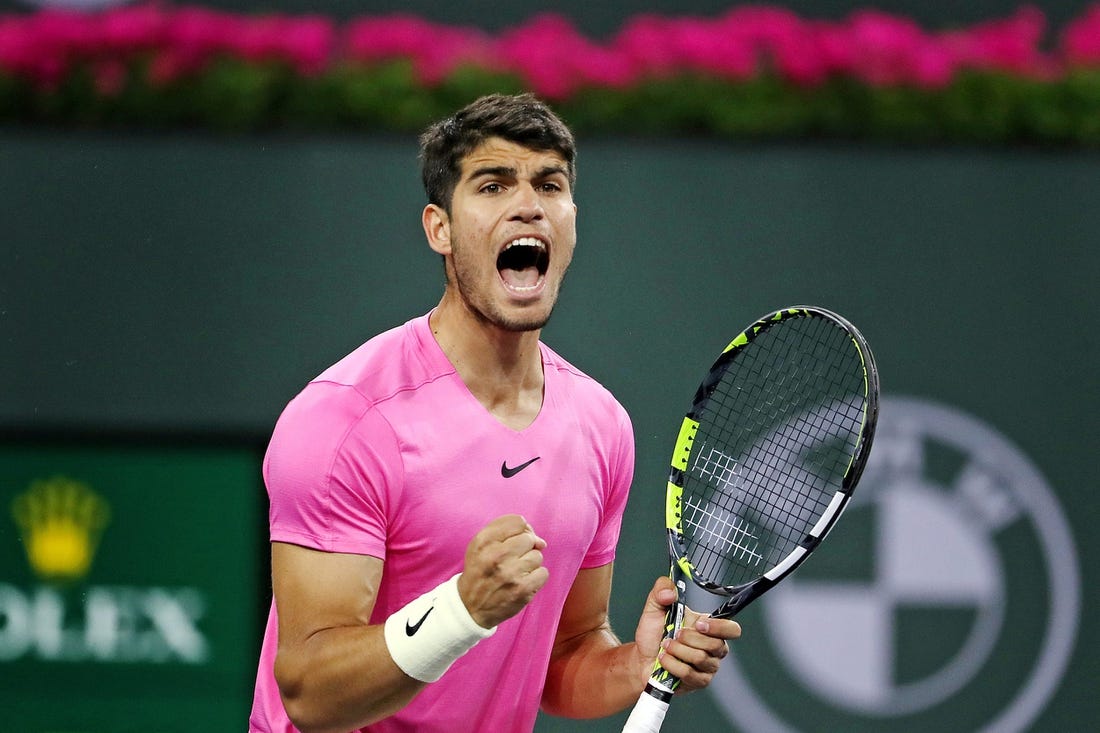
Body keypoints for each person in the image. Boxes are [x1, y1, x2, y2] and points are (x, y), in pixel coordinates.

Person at [249, 93, 741, 733]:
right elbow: (312, 695)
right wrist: (462, 610)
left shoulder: (601, 425)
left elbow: (562, 662)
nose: (528, 204)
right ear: (440, 229)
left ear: (570, 220)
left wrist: (638, 663)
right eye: (493, 184)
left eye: (550, 184)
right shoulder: (346, 420)